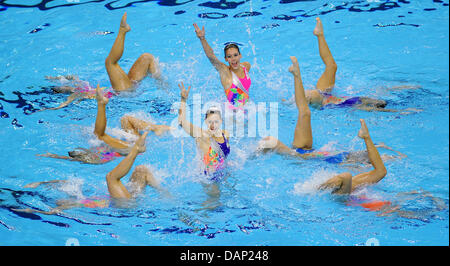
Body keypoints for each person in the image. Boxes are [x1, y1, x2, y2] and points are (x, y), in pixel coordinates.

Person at [281, 17, 420, 113]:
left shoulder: (358, 104)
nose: (377, 101)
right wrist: (401, 106)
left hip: (323, 99)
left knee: (327, 73)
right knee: (331, 67)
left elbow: (377, 108)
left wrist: (401, 109)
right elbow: (379, 102)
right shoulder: (359, 103)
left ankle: (319, 35)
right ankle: (319, 35)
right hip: (324, 97)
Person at [13, 132, 167, 215]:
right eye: (61, 202)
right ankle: (135, 151)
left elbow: (64, 183)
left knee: (141, 170)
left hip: (127, 200)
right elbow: (49, 213)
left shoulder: (83, 198)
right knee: (111, 178)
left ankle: (166, 195)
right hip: (123, 205)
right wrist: (31, 210)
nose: (61, 200)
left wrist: (41, 183)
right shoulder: (75, 205)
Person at [37, 85, 170, 164]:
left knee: (100, 134)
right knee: (125, 119)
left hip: (133, 148)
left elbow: (99, 135)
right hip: (133, 145)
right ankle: (156, 128)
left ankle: (102, 105)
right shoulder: (102, 154)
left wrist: (56, 156)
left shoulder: (100, 155)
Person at [318, 119, 387, 194]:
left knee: (380, 172)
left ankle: (366, 136)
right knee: (346, 176)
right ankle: (319, 189)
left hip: (343, 193)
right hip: (341, 196)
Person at [193, 23, 251, 109]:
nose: (233, 59)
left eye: (235, 55)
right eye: (229, 56)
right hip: (233, 113)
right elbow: (211, 56)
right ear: (226, 59)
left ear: (240, 55)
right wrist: (202, 38)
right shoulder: (225, 73)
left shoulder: (246, 66)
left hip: (247, 108)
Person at [106, 12, 162, 91]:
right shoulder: (82, 94)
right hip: (122, 93)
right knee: (110, 63)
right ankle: (122, 30)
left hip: (127, 87)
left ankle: (162, 85)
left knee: (146, 57)